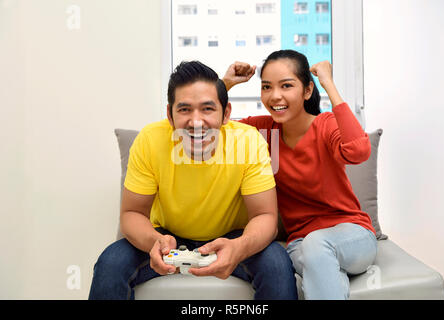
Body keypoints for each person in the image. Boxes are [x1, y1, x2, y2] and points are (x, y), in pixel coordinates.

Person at [88, 60, 298, 300]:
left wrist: (239, 248)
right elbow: (132, 213)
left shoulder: (249, 141)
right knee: (110, 262)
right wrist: (153, 241)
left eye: (208, 109)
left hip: (231, 236)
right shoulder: (150, 140)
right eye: (185, 109)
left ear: (226, 113)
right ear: (169, 114)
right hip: (166, 237)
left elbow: (265, 217)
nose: (196, 122)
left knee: (276, 265)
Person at [222, 50, 378, 300]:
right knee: (318, 259)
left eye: (286, 86)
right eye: (266, 87)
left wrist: (328, 82)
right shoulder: (263, 131)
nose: (275, 96)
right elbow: (204, 129)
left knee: (318, 246)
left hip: (353, 236)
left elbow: (358, 150)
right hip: (300, 244)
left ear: (307, 91)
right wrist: (226, 83)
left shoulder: (325, 125)